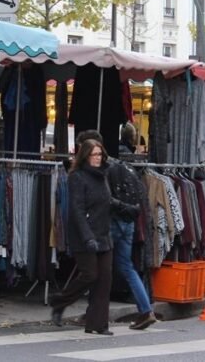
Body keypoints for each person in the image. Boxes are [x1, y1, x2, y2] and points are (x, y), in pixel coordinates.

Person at [77, 129, 156, 331]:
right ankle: (146, 310)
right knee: (126, 267)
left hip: (110, 222)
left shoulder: (99, 168)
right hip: (128, 222)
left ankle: (92, 314)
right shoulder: (121, 165)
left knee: (99, 268)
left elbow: (103, 199)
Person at [50, 139, 114, 335]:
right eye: (94, 155)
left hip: (103, 233)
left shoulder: (103, 175)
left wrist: (125, 207)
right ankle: (59, 302)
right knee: (90, 274)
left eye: (100, 154)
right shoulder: (77, 177)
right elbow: (77, 210)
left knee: (104, 280)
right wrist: (88, 237)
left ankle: (98, 323)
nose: (98, 158)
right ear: (85, 156)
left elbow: (106, 200)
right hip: (84, 235)